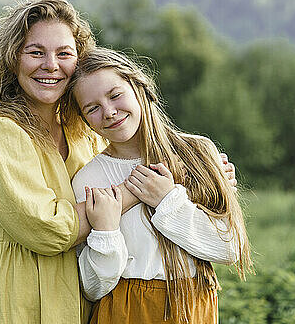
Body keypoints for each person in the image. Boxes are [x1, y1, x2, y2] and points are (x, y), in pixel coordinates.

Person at [0, 0, 239, 324]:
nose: (51, 65)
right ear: (12, 58)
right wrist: (145, 187)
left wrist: (203, 175)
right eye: (35, 52)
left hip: (85, 299)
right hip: (18, 293)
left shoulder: (84, 131)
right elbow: (48, 230)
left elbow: (125, 168)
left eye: (64, 53)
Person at [63, 47, 253, 323]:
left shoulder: (198, 153)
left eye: (115, 95)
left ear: (138, 87)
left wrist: (168, 201)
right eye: (92, 108)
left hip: (193, 304)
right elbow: (93, 288)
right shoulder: (90, 180)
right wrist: (105, 231)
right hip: (126, 309)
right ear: (83, 118)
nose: (109, 112)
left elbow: (230, 248)